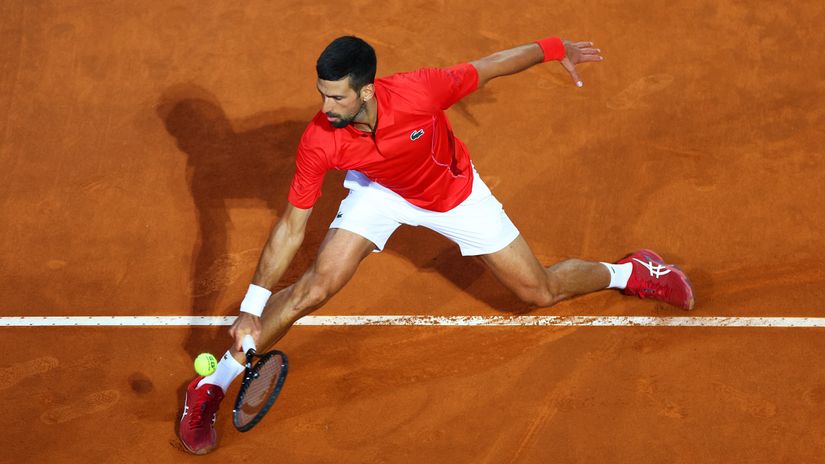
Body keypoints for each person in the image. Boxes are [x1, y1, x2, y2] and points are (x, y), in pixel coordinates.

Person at [178, 35, 694, 454]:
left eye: (336, 96)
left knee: (540, 291)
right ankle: (213, 386)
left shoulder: (420, 92)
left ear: (368, 90)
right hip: (379, 193)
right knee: (315, 287)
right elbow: (292, 226)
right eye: (321, 93)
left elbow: (488, 65)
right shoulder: (321, 137)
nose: (325, 106)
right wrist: (251, 306)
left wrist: (555, 48)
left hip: (455, 195)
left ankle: (633, 272)